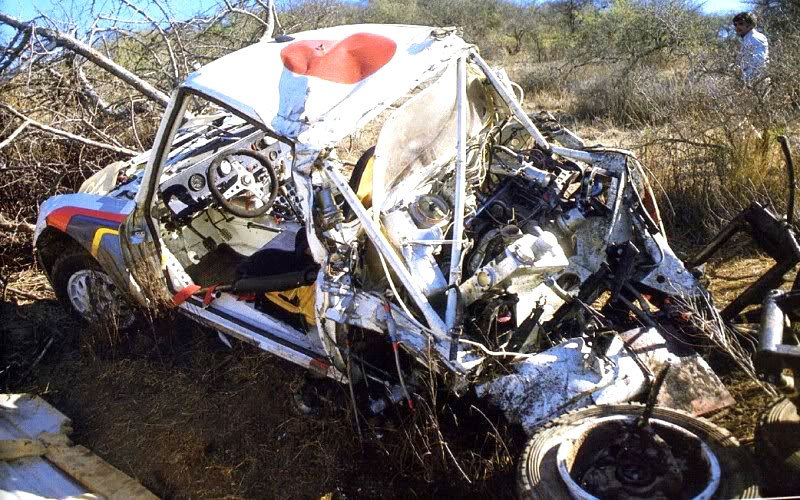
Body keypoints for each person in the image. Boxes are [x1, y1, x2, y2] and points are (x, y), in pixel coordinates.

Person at [732, 12, 769, 84]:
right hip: (753, 79)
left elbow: (759, 61)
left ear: (750, 25)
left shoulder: (754, 38)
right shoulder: (750, 37)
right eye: (735, 24)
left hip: (754, 80)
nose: (737, 27)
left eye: (741, 24)